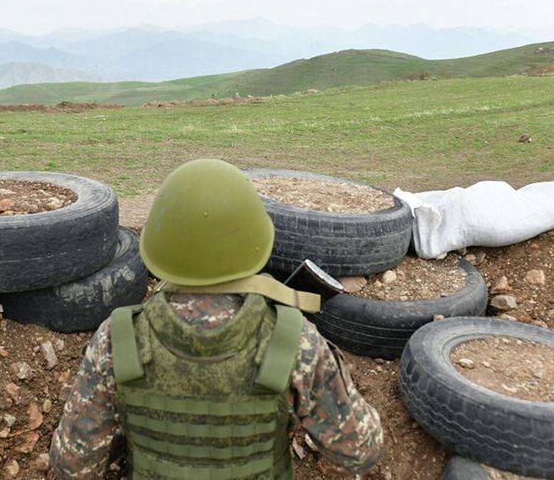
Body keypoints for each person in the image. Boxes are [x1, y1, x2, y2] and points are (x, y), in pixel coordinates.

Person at [50, 159, 383, 479]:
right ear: (255, 244)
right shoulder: (295, 342)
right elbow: (360, 452)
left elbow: (73, 466)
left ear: (160, 248)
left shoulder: (118, 340)